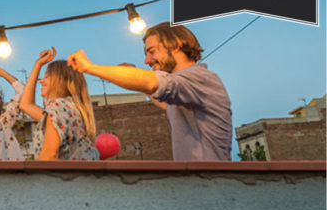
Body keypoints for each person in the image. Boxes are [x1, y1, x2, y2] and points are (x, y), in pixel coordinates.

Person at [67, 22, 232, 160]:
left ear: (175, 45)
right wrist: (135, 79)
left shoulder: (199, 78)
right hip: (201, 185)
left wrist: (90, 67)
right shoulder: (186, 92)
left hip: (211, 185)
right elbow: (165, 104)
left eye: (152, 51)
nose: (147, 60)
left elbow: (153, 83)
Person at [20, 47, 98, 160]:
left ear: (61, 80)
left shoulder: (58, 105)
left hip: (61, 177)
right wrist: (37, 65)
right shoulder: (69, 108)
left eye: (46, 77)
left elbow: (49, 155)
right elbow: (26, 105)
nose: (41, 81)